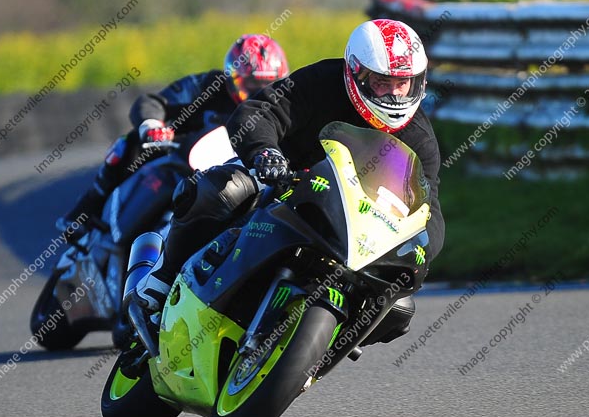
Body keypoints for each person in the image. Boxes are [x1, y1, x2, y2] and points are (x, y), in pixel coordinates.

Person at [132, 19, 444, 345]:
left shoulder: (419, 139)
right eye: (382, 82)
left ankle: (319, 349)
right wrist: (265, 152)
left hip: (355, 225)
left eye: (402, 84)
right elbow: (259, 112)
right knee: (222, 190)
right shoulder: (322, 81)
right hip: (281, 180)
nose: (394, 94)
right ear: (357, 73)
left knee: (399, 308)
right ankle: (161, 280)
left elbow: (427, 205)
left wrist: (419, 246)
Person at [59, 34, 290, 230]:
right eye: (250, 86)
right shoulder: (208, 86)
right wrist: (152, 125)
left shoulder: (283, 107)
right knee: (129, 143)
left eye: (267, 87)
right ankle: (87, 207)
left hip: (238, 177)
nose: (257, 95)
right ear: (232, 77)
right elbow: (154, 102)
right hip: (183, 162)